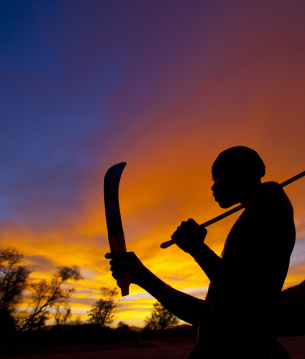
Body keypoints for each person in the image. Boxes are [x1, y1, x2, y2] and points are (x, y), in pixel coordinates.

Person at [106, 146, 295, 358]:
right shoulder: (252, 217)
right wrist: (142, 276)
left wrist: (197, 248)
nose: (213, 187)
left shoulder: (271, 199)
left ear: (243, 172)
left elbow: (245, 303)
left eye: (218, 177)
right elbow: (211, 314)